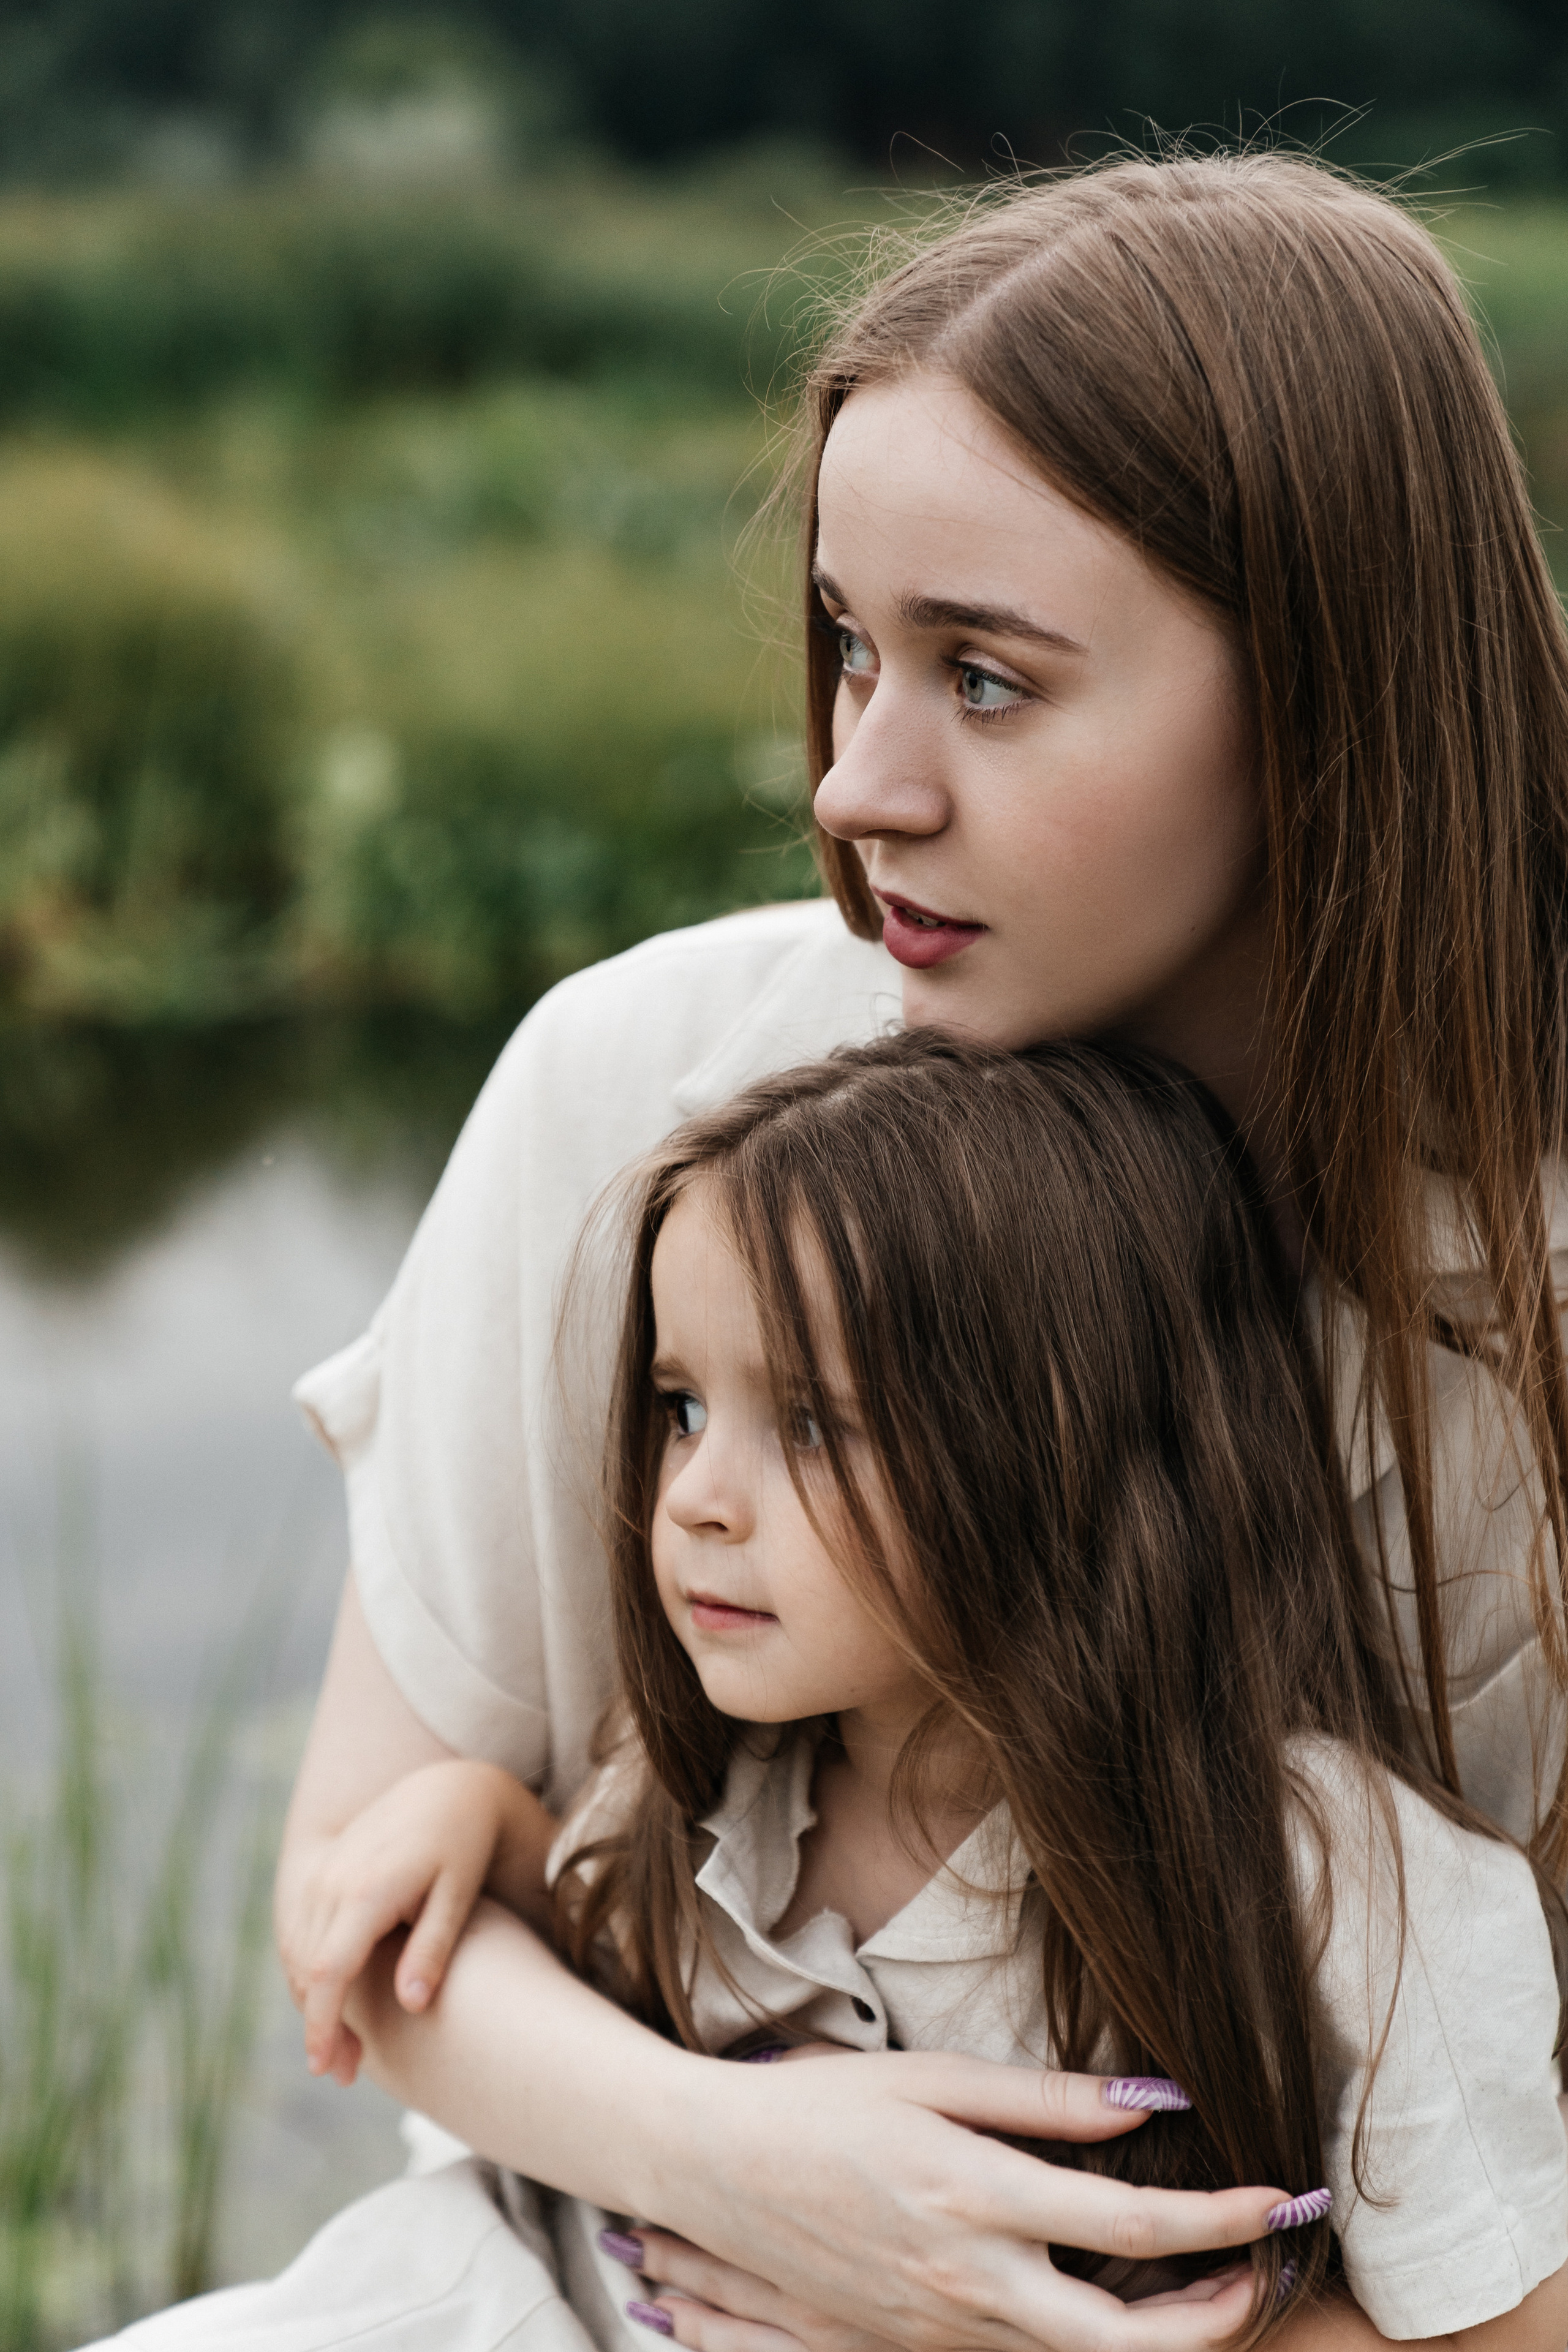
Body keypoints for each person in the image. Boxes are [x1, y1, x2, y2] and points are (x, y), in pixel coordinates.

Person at [86, 145, 1568, 2351]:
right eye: (851, 651)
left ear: (1329, 697)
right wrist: (759, 2166)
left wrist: (1026, 2318)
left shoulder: (1521, 1291)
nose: (854, 786)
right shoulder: (659, 1086)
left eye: (987, 677)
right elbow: (365, 1927)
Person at [109, 1035, 1568, 2352]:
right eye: (681, 1407)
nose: (692, 1498)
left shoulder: (1334, 1882)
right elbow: (603, 1956)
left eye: (810, 1424)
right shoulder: (730, 1776)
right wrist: (480, 1815)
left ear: (1058, 1458)